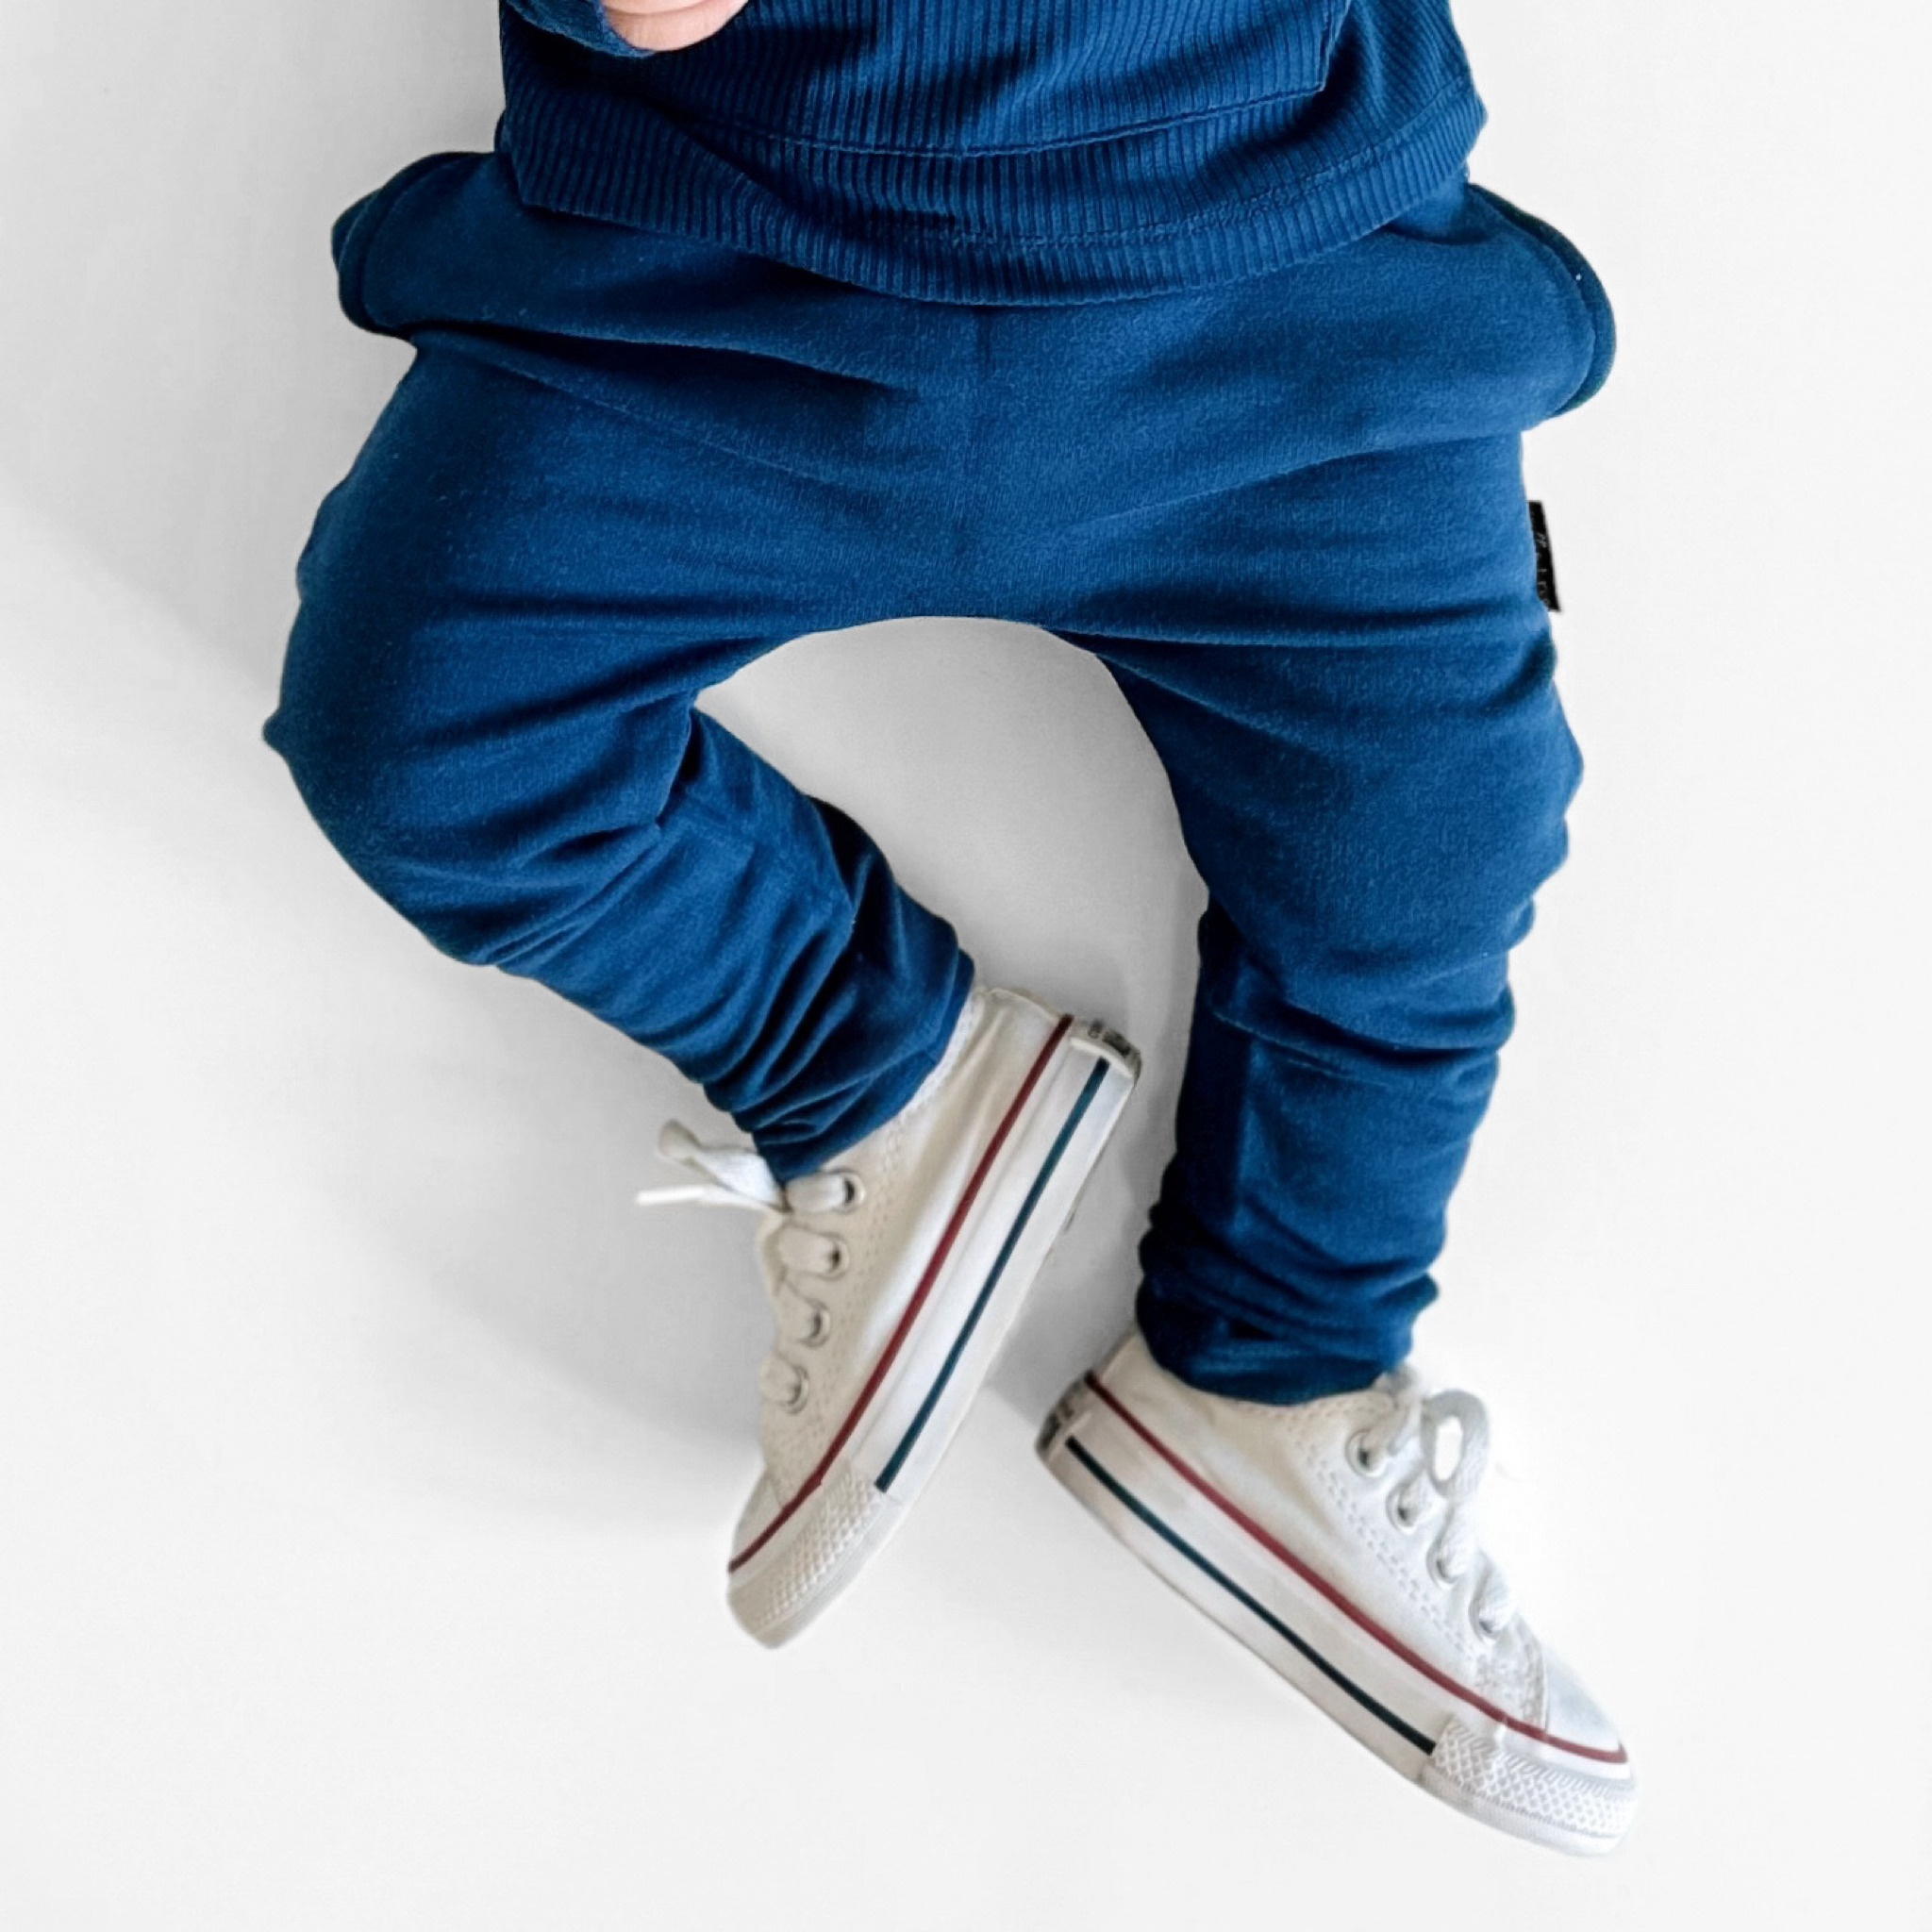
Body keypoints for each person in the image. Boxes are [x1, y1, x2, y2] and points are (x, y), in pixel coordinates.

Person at [265, 0, 1632, 1854]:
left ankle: (1274, 1364)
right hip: (713, 281)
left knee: (1435, 841)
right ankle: (873, 1067)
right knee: (416, 726)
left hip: (1277, 283)